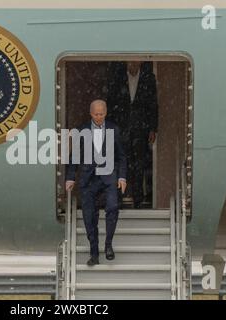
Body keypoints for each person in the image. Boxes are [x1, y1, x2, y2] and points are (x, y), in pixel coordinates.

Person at [65, 100, 127, 266]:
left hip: (109, 176)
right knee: (88, 216)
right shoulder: (81, 130)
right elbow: (74, 157)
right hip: (88, 178)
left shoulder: (114, 129)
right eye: (96, 114)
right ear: (91, 113)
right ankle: (94, 253)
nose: (99, 117)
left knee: (113, 207)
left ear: (106, 113)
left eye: (102, 114)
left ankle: (108, 245)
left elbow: (121, 156)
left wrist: (122, 177)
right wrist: (70, 177)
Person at [107, 61, 158, 208]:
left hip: (141, 128)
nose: (133, 65)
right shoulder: (117, 75)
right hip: (121, 127)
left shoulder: (149, 77)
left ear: (140, 62)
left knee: (139, 164)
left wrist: (153, 128)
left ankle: (138, 200)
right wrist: (110, 127)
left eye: (136, 62)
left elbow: (153, 104)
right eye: (130, 62)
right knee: (122, 162)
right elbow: (111, 102)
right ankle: (120, 199)